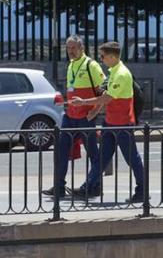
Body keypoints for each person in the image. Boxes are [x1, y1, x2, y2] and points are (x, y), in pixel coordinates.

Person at [67, 41, 146, 204]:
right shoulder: (113, 72)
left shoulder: (122, 74)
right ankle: (87, 188)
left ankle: (142, 191)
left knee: (132, 159)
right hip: (110, 123)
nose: (101, 59)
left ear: (112, 56)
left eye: (103, 56)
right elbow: (106, 95)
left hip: (122, 124)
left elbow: (107, 98)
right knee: (102, 158)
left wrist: (83, 102)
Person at [43, 35, 105, 200]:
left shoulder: (91, 65)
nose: (70, 51)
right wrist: (65, 103)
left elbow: (104, 92)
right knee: (61, 151)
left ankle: (94, 186)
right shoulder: (71, 65)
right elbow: (73, 90)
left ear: (81, 47)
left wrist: (95, 110)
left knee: (93, 153)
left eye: (73, 47)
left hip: (86, 117)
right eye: (68, 48)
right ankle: (59, 187)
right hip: (70, 116)